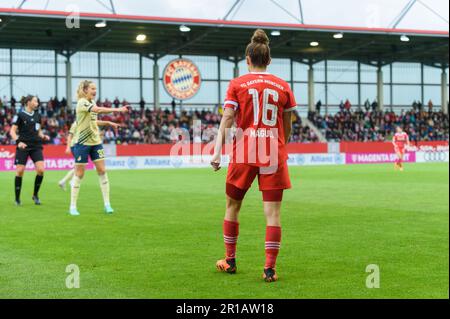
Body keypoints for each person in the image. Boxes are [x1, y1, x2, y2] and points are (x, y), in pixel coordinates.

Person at [210, 29, 297, 283]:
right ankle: (269, 269)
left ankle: (230, 260)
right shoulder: (283, 85)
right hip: (273, 152)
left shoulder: (237, 84)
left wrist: (217, 152)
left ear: (247, 59)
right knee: (273, 213)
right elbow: (288, 122)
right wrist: (283, 144)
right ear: (269, 60)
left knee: (232, 206)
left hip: (244, 152)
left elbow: (227, 117)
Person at [69, 80, 129, 216]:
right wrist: (118, 109)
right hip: (82, 142)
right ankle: (72, 206)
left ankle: (107, 204)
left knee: (102, 170)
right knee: (79, 174)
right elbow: (98, 110)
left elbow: (93, 120)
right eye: (92, 88)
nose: (95, 91)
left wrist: (108, 122)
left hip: (95, 142)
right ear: (85, 90)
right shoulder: (82, 102)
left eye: (95, 88)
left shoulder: (92, 103)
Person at [58, 120, 123, 191]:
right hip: (76, 146)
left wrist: (104, 128)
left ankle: (65, 181)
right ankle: (70, 181)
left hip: (81, 145)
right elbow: (70, 136)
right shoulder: (77, 123)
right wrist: (68, 147)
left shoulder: (89, 121)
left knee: (78, 167)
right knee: (80, 166)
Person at [9, 95, 50, 206]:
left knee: (41, 170)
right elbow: (12, 132)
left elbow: (38, 130)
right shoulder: (20, 115)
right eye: (35, 101)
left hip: (36, 146)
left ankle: (35, 195)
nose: (37, 103)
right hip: (23, 146)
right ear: (28, 102)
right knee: (20, 171)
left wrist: (43, 136)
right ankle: (17, 198)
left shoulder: (38, 115)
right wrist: (19, 142)